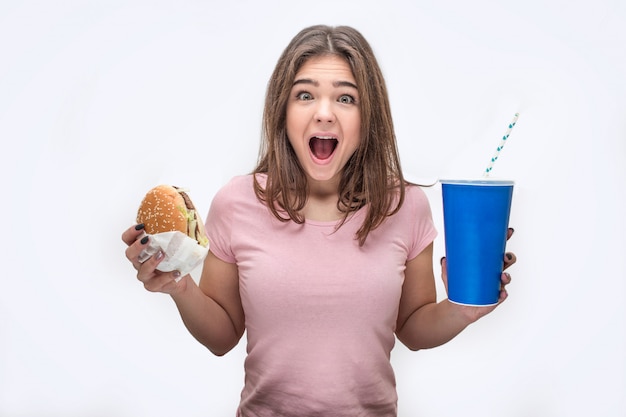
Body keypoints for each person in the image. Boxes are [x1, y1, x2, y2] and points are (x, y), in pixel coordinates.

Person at [122, 24, 516, 416]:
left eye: (346, 98)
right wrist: (178, 285)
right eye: (305, 95)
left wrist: (463, 308)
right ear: (283, 111)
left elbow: (412, 329)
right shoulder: (236, 203)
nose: (324, 113)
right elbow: (222, 336)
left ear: (368, 117)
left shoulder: (406, 206)